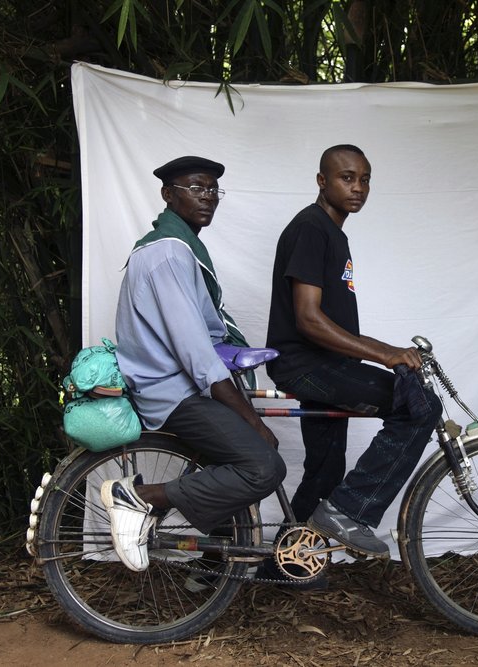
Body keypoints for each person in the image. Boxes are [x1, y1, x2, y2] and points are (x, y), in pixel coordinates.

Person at [101, 156, 286, 572]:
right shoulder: (168, 253)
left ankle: (210, 571)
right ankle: (139, 498)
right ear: (168, 195)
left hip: (180, 387)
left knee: (234, 461)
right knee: (263, 466)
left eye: (213, 190)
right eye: (196, 188)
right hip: (173, 393)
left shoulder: (176, 245)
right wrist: (253, 421)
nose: (208, 198)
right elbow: (196, 354)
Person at [265, 144, 442, 558]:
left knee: (326, 471)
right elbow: (308, 319)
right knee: (419, 406)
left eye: (365, 179)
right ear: (322, 181)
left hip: (324, 365)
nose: (358, 187)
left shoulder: (331, 232)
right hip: (307, 365)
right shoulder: (311, 228)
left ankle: (286, 564)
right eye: (347, 177)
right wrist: (384, 353)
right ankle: (351, 511)